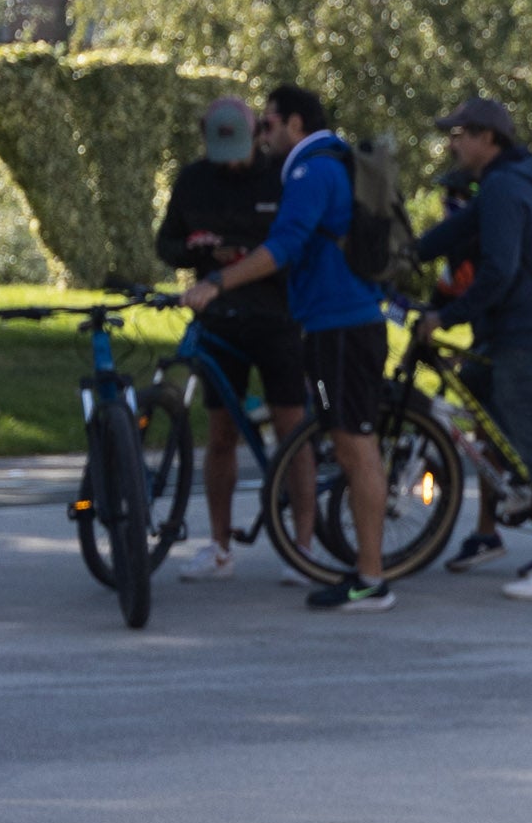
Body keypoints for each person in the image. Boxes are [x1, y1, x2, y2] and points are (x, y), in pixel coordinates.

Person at [182, 84, 391, 614]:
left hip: (341, 323)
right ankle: (366, 571)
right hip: (337, 321)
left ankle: (371, 578)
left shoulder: (309, 170)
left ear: (295, 124)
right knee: (348, 442)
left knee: (355, 446)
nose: (262, 133)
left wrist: (219, 282)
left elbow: (284, 246)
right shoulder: (330, 162)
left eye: (269, 123)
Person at [409, 99, 532, 599]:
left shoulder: (505, 187)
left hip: (527, 335)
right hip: (515, 330)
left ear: (489, 138)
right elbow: (456, 232)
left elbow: (498, 272)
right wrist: (409, 250)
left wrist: (445, 316)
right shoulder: (501, 183)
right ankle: (513, 499)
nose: (453, 142)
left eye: (461, 132)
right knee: (475, 388)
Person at [153, 94, 302, 579]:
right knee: (221, 435)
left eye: (238, 150)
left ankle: (303, 547)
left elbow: (294, 244)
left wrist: (246, 255)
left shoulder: (281, 176)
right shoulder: (194, 180)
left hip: (277, 317)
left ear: (257, 134)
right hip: (218, 320)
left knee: (291, 432)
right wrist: (196, 249)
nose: (231, 162)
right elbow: (167, 243)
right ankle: (219, 546)